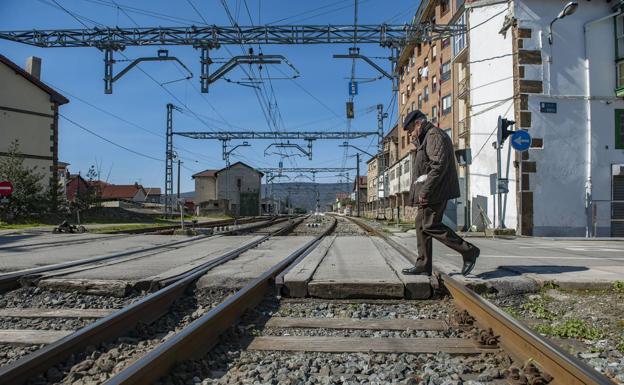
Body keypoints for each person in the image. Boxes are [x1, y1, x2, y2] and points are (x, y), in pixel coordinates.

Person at [401, 110, 479, 276]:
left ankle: (468, 251)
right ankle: (423, 264)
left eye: (410, 131)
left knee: (429, 225)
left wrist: (426, 190)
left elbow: (438, 165)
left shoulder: (434, 136)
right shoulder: (426, 138)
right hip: (432, 189)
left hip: (435, 190)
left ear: (418, 123)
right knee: (421, 225)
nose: (410, 135)